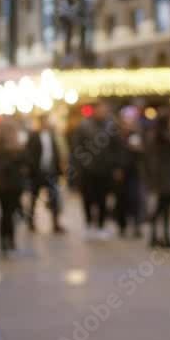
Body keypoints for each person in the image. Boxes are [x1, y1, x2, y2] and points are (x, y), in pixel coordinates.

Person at [73, 102, 123, 240]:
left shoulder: (110, 126)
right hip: (87, 170)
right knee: (88, 198)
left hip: (105, 169)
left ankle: (101, 225)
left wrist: (117, 167)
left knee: (102, 198)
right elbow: (77, 148)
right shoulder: (84, 126)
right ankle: (89, 224)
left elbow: (117, 147)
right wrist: (79, 166)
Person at [147, 108, 170, 249]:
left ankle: (158, 236)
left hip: (163, 177)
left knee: (163, 207)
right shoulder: (165, 137)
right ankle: (162, 237)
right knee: (163, 207)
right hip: (166, 177)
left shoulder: (158, 136)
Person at [0, 118, 27, 255]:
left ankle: (5, 240)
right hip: (10, 186)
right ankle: (9, 240)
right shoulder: (15, 152)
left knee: (5, 212)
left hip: (4, 186)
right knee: (9, 213)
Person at [26, 114, 65, 234]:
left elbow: (56, 153)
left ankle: (55, 222)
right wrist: (32, 169)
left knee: (55, 197)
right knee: (34, 198)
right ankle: (31, 222)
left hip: (51, 172)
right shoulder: (34, 136)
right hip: (37, 173)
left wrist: (59, 170)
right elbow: (30, 154)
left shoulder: (52, 136)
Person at [116, 107, 146, 239]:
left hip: (135, 172)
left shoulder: (137, 134)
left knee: (135, 198)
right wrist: (117, 168)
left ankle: (136, 224)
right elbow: (113, 153)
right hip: (122, 172)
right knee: (122, 199)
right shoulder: (117, 136)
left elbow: (143, 153)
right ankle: (122, 225)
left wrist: (139, 149)